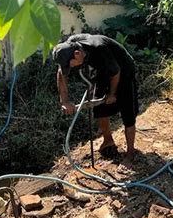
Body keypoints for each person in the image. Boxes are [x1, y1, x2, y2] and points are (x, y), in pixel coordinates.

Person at [52, 34, 139, 162]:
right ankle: (108, 141)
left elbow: (116, 73)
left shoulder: (99, 48)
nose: (70, 68)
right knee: (100, 109)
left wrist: (112, 94)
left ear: (77, 54)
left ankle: (130, 153)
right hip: (104, 70)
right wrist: (64, 101)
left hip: (123, 69)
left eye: (70, 65)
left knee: (128, 112)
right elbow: (61, 73)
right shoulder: (70, 46)